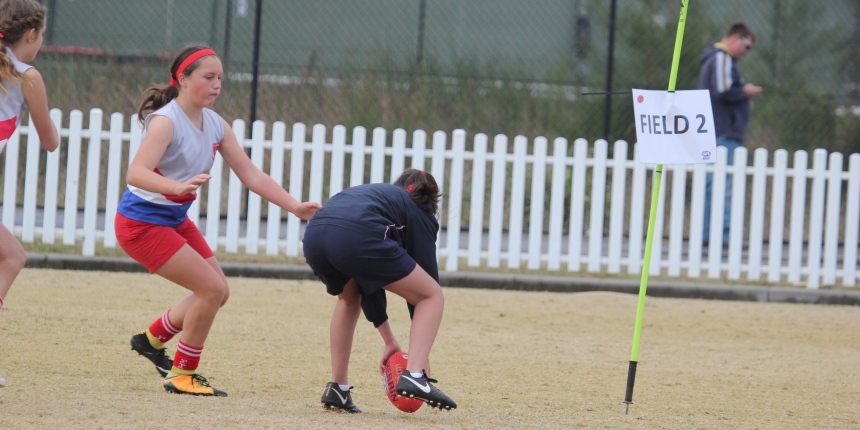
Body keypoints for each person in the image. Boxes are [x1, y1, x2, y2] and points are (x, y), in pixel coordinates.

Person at [120, 45, 320, 396]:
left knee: (218, 292)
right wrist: (175, 186)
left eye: (220, 79)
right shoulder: (166, 121)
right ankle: (182, 374)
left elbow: (251, 175)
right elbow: (135, 173)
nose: (216, 85)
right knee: (210, 290)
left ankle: (150, 341)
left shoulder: (215, 123)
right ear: (182, 79)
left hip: (172, 218)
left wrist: (294, 206)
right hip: (141, 223)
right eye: (208, 77)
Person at [303, 169, 457, 412]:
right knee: (432, 296)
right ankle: (415, 375)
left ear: (397, 185)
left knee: (348, 299)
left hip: (314, 234)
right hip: (355, 235)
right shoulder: (420, 215)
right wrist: (420, 358)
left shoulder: (379, 196)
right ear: (431, 201)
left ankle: (338, 389)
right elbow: (425, 287)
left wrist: (390, 342)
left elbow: (368, 281)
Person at [0, 0, 59, 388]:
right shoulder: (28, 76)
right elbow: (50, 141)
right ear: (32, 34)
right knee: (12, 256)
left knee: (11, 255)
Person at [698, 22, 762, 245]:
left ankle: (709, 234)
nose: (746, 52)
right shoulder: (722, 58)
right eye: (747, 46)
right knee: (719, 185)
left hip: (717, 132)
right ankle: (721, 237)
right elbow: (723, 90)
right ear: (736, 37)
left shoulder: (716, 59)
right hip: (722, 133)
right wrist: (745, 91)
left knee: (713, 185)